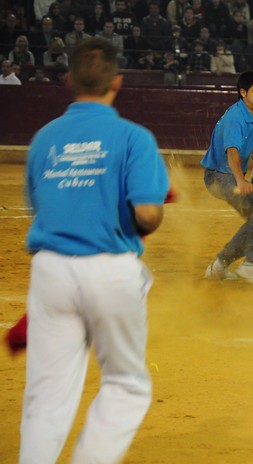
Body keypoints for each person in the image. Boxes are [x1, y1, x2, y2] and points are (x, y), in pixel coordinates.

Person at [19, 37, 169, 464]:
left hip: (50, 272)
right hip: (109, 270)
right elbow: (146, 215)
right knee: (125, 385)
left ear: (68, 80)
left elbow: (41, 206)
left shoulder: (43, 139)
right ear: (117, 82)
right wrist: (151, 208)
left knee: (47, 395)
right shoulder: (133, 138)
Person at [201, 71, 253, 285]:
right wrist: (241, 180)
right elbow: (232, 151)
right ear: (243, 93)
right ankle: (249, 264)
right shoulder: (235, 119)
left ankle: (219, 266)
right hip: (219, 176)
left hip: (231, 174)